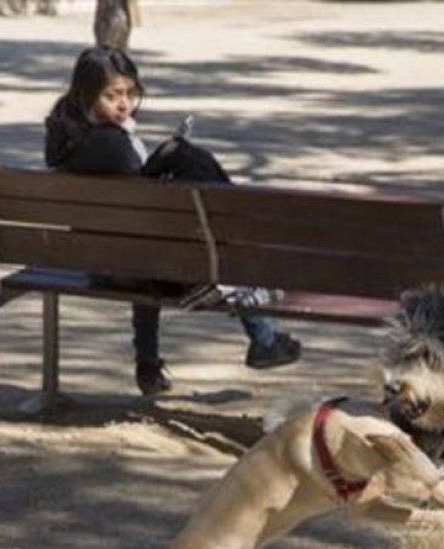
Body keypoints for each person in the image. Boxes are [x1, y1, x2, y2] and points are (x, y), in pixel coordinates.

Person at [44, 45, 301, 396]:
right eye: (112, 96)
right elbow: (143, 207)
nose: (124, 104)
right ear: (86, 95)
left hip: (103, 263)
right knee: (209, 210)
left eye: (130, 93)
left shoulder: (66, 136)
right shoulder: (112, 145)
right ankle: (264, 339)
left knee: (152, 240)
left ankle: (148, 364)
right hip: (140, 267)